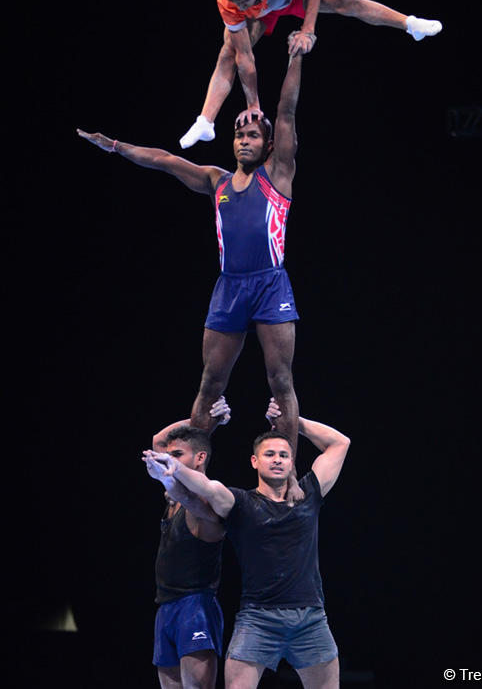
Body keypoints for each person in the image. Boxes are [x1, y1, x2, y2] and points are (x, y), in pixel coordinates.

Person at [77, 51, 307, 497]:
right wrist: (116, 146)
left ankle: (290, 480)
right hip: (230, 289)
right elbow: (164, 160)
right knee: (210, 384)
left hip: (270, 284)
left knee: (281, 382)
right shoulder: (215, 181)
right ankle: (188, 483)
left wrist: (296, 56)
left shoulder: (278, 174)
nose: (243, 140)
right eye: (238, 134)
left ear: (268, 146)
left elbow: (287, 110)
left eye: (252, 135)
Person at [143, 400, 351, 689]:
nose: (277, 459)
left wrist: (294, 421)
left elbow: (340, 443)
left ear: (292, 462)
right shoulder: (241, 502)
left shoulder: (308, 494)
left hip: (310, 617)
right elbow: (208, 488)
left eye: (283, 455)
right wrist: (175, 467)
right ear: (255, 461)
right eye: (269, 454)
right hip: (257, 618)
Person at [179, 0, 443, 146]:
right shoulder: (228, 1)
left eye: (248, 0)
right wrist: (253, 105)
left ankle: (410, 24)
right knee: (229, 51)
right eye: (241, 5)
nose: (246, 7)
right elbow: (245, 59)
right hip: (261, 18)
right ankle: (206, 121)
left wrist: (308, 30)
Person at [145, 396, 231, 689]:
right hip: (165, 606)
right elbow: (158, 440)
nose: (168, 459)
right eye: (169, 455)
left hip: (195, 606)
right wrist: (208, 421)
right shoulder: (173, 495)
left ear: (200, 458)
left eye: (177, 455)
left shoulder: (209, 498)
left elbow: (195, 503)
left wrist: (171, 481)